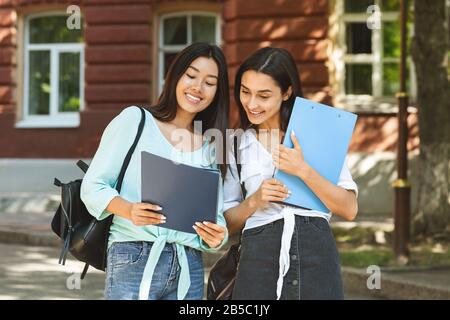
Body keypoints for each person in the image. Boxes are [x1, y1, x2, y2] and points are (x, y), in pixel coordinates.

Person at [80, 43, 229, 300]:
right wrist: (129, 210)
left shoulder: (210, 146)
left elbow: (215, 215)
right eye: (191, 75)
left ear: (217, 92)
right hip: (133, 257)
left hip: (189, 264)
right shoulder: (135, 120)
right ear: (175, 76)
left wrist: (219, 235)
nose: (197, 87)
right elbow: (92, 187)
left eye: (210, 82)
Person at [223, 47, 358, 300]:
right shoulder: (235, 144)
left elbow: (349, 208)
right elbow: (227, 223)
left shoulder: (318, 132)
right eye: (245, 92)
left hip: (317, 258)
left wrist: (303, 171)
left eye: (263, 95)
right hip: (257, 262)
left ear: (287, 92)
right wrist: (254, 201)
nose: (251, 104)